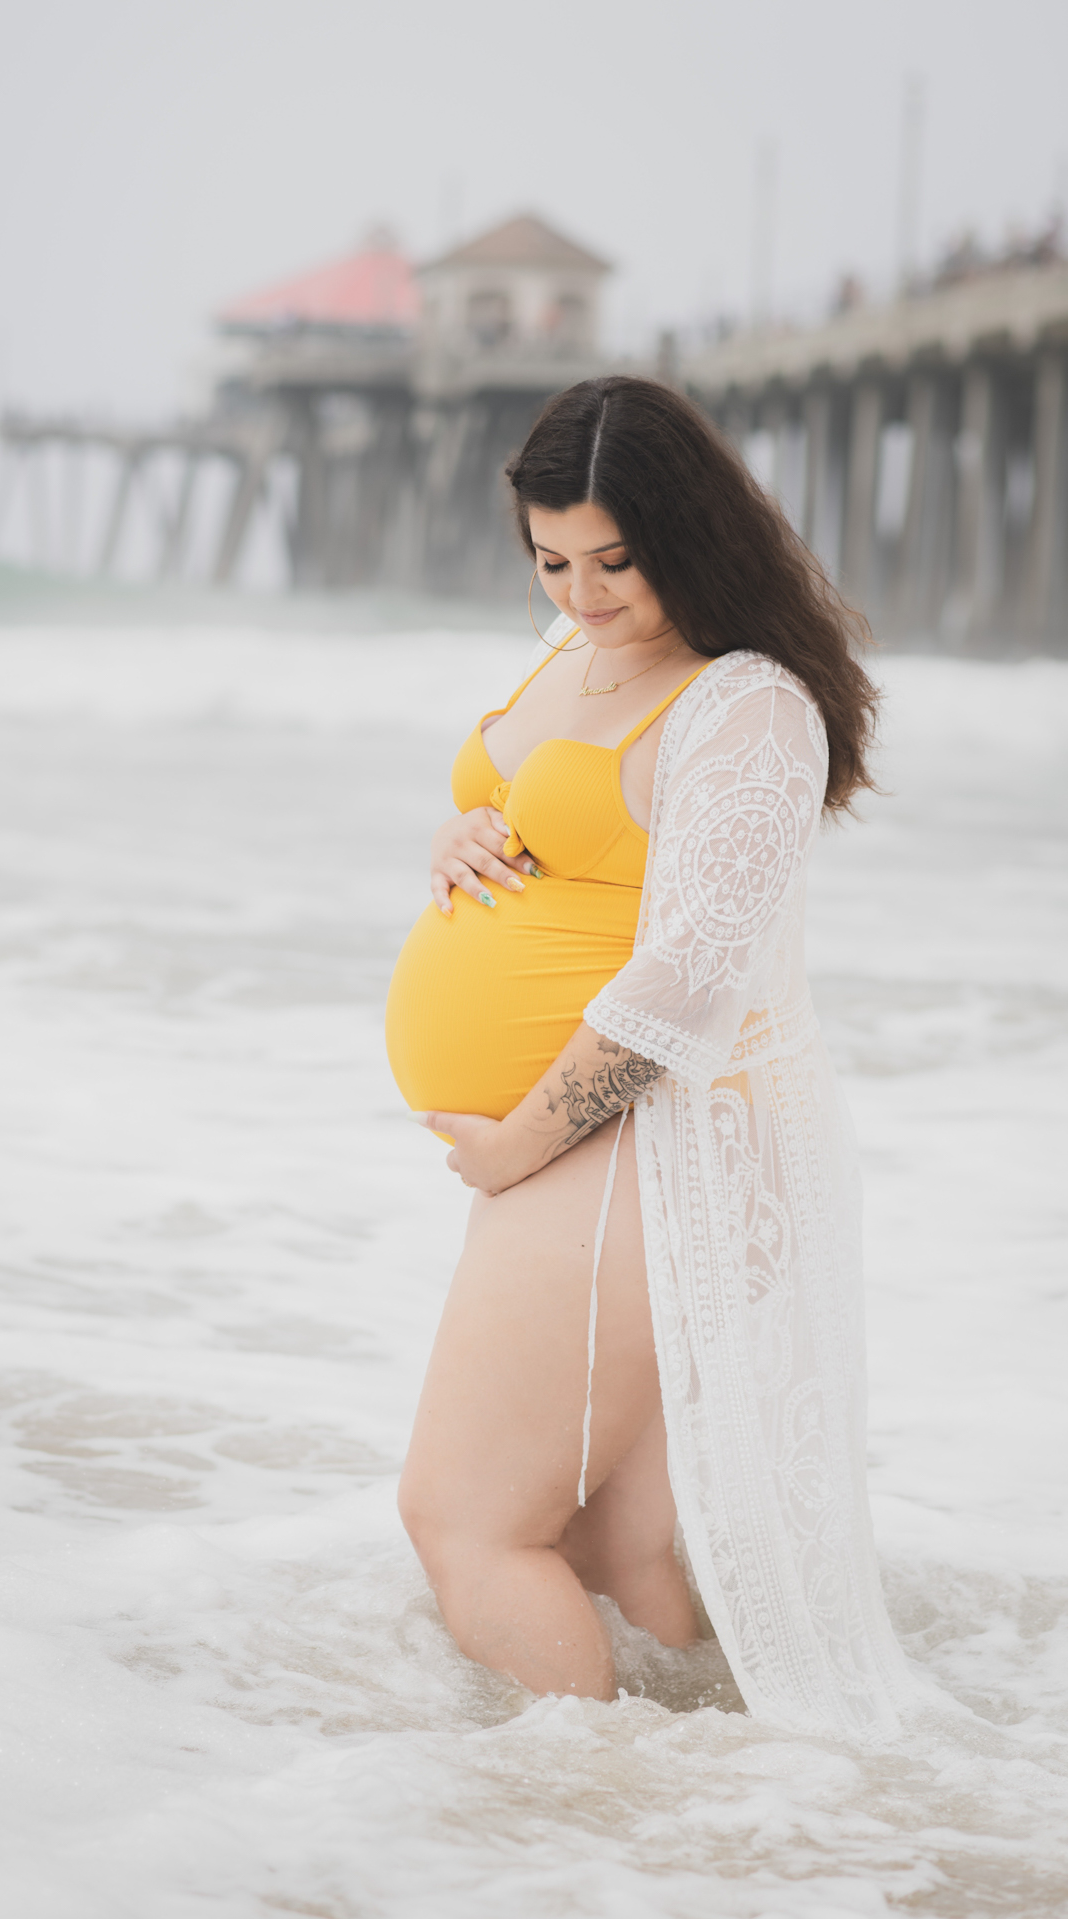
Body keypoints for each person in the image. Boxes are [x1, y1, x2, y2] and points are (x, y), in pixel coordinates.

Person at [385, 375, 926, 1739]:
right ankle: (697, 1809)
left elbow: (686, 981)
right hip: (581, 1156)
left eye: (614, 561)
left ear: (691, 535)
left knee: (463, 1522)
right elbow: (547, 826)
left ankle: (586, 1806)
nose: (582, 594)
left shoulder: (748, 708)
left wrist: (515, 1147)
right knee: (610, 1550)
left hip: (636, 1142)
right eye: (551, 561)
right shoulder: (571, 653)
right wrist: (454, 837)